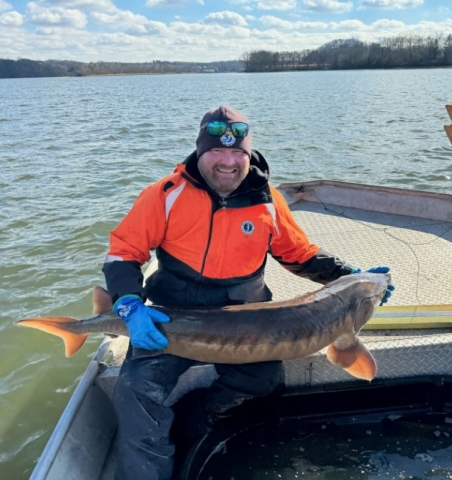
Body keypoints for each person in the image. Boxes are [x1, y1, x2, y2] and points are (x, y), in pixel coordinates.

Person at [102, 105, 393, 479]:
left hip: (249, 316)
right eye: (216, 151)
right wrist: (128, 303)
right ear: (199, 151)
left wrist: (351, 274)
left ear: (248, 154)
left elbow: (299, 253)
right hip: (170, 317)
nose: (227, 161)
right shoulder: (165, 194)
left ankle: (197, 421)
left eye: (237, 152)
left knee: (263, 382)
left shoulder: (268, 199)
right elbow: (123, 252)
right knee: (136, 391)